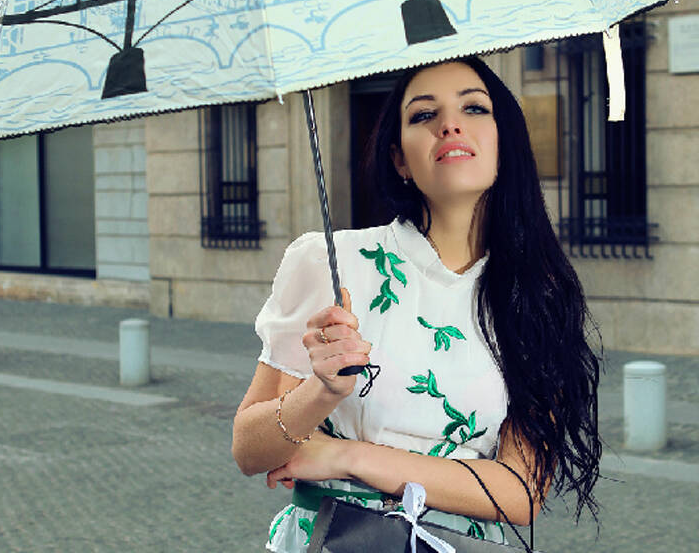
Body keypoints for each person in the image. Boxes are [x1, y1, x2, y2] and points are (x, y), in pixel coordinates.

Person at [232, 57, 601, 552]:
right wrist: (318, 393)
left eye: (473, 107)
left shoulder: (536, 295)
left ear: (503, 144)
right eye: (424, 115)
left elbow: (519, 491)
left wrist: (350, 458)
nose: (450, 124)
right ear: (400, 160)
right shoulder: (329, 262)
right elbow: (249, 451)